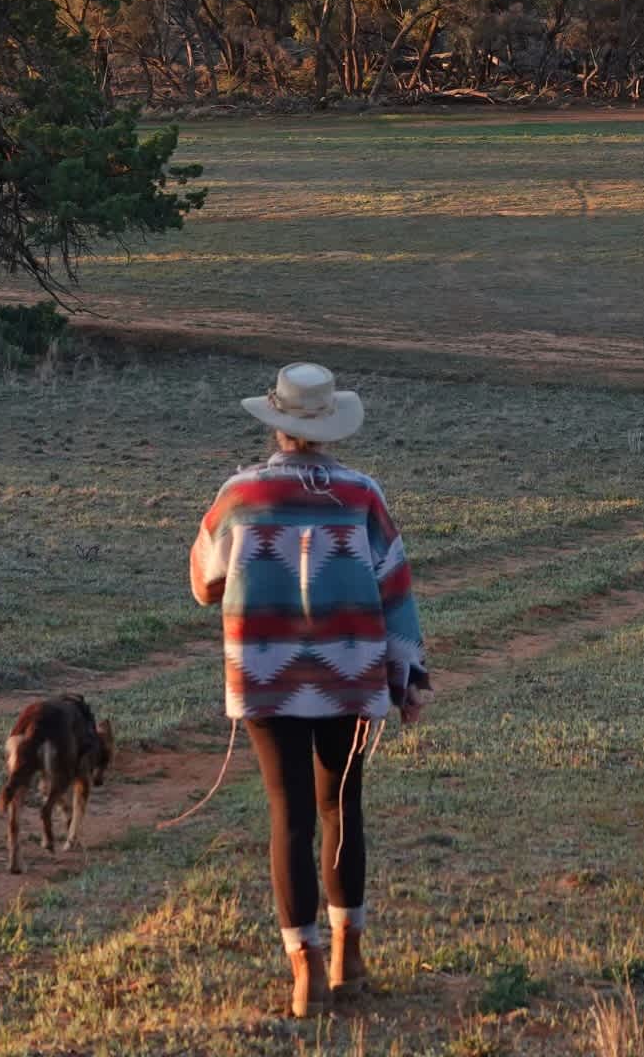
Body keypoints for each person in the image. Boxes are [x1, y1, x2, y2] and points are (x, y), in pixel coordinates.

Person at [190, 362, 430, 1017]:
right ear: (329, 426)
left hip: (265, 678)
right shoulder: (363, 497)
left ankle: (305, 969)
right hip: (350, 678)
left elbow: (203, 583)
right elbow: (397, 588)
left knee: (288, 815)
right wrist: (406, 677)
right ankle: (350, 953)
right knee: (340, 808)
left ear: (275, 422)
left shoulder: (240, 494)